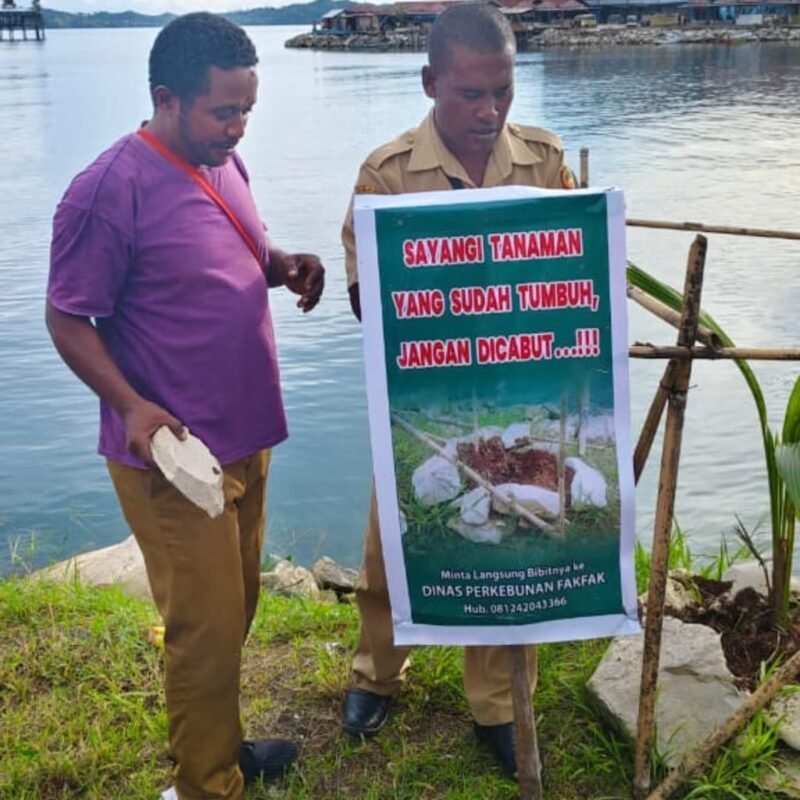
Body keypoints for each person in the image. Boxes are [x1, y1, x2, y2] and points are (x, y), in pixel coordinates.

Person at [46, 13, 324, 800]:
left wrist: (279, 264)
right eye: (223, 113)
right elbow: (66, 317)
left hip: (245, 436)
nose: (238, 129)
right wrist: (131, 406)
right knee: (202, 636)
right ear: (166, 99)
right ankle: (208, 786)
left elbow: (223, 247)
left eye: (247, 111)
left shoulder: (221, 161)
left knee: (233, 611)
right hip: (173, 456)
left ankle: (223, 748)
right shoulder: (107, 191)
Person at [340, 2, 575, 780]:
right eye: (470, 94)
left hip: (514, 386)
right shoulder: (386, 172)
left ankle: (499, 707)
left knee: (507, 545)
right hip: (425, 391)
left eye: (502, 92)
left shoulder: (544, 161)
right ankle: (379, 674)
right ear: (430, 82)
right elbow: (363, 294)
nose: (489, 111)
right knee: (390, 545)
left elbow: (570, 275)